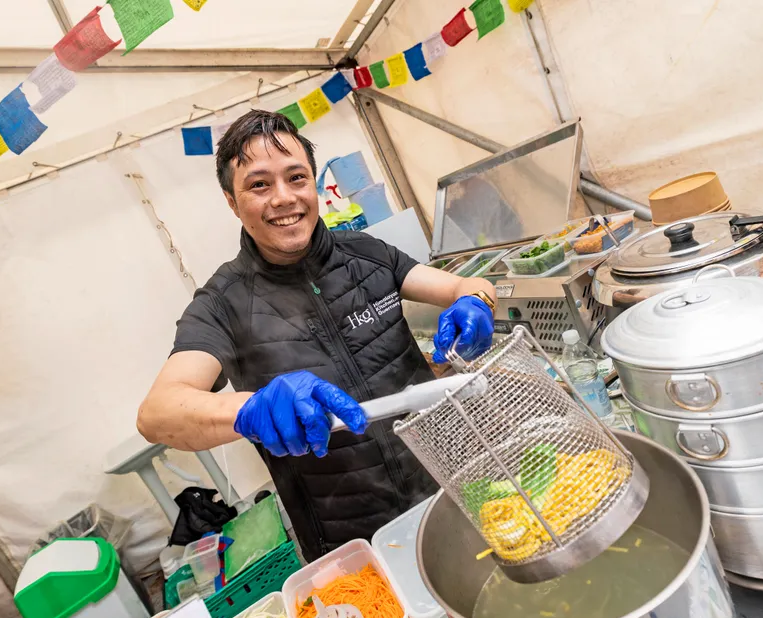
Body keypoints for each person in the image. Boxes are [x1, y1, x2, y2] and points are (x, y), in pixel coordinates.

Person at [138, 110, 497, 561]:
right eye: (259, 185)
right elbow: (158, 413)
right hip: (352, 538)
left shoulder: (367, 253)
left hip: (452, 482)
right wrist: (252, 406)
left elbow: (462, 284)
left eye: (296, 177)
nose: (284, 198)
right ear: (232, 201)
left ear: (314, 185)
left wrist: (477, 301)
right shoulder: (222, 303)